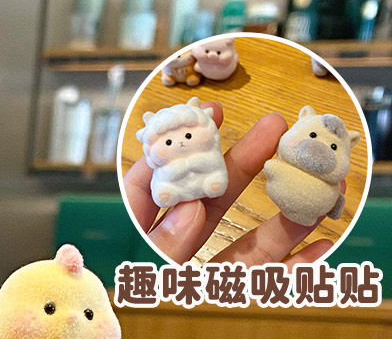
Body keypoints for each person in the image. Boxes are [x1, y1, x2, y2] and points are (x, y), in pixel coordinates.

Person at [123, 103, 338, 268]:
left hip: (304, 199)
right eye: (168, 142)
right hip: (170, 188)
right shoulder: (165, 169)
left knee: (218, 179)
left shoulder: (208, 154)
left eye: (188, 136)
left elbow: (216, 167)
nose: (180, 143)